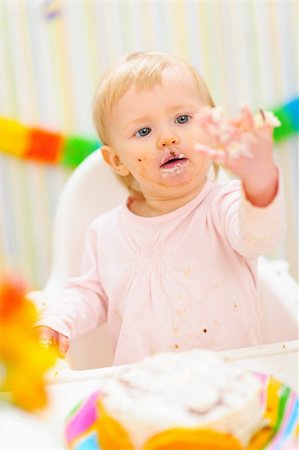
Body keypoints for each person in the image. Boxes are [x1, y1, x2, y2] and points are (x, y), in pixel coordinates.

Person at [36, 51, 285, 365]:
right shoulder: (106, 233)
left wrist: (259, 178)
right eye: (143, 131)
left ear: (212, 127)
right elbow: (92, 293)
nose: (167, 138)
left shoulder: (223, 206)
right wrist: (59, 320)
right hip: (144, 390)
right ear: (115, 160)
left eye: (182, 119)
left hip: (231, 378)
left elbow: (259, 237)